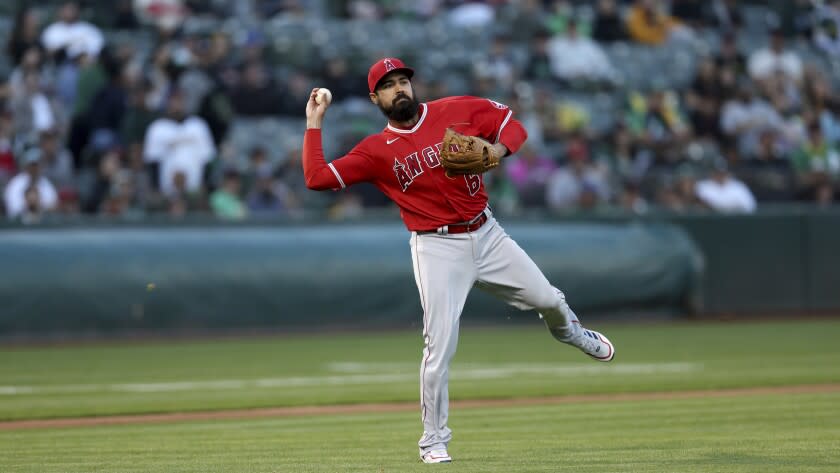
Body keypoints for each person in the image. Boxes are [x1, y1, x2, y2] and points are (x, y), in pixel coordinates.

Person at [302, 58, 615, 464]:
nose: (399, 89)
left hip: (487, 234)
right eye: (388, 85)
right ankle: (433, 441)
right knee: (439, 348)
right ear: (375, 98)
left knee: (550, 301)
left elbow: (512, 125)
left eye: (403, 81)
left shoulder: (457, 110)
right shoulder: (375, 151)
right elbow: (316, 178)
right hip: (436, 248)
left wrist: (499, 150)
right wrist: (314, 123)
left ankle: (571, 332)